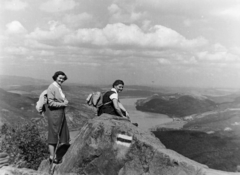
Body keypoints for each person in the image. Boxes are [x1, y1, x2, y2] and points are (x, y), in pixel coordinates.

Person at [46, 71, 70, 163]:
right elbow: (51, 102)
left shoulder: (58, 86)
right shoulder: (52, 87)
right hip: (55, 114)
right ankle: (52, 157)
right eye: (60, 78)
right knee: (54, 134)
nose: (61, 80)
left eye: (63, 78)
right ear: (55, 77)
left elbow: (60, 98)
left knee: (60, 134)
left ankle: (56, 155)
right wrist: (63, 104)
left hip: (60, 113)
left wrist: (65, 100)